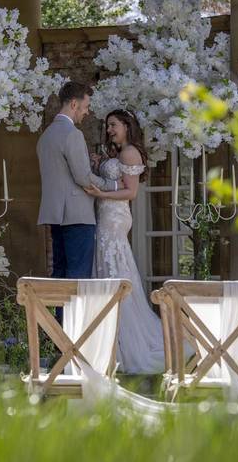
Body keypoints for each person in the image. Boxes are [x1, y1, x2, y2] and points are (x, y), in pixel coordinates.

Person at [84, 109, 165, 374]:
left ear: (127, 126)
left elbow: (130, 192)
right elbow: (118, 181)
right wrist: (99, 168)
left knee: (113, 268)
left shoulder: (130, 153)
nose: (109, 130)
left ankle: (124, 341)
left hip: (115, 217)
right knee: (110, 266)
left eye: (113, 125)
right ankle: (111, 339)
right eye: (108, 126)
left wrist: (101, 191)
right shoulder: (120, 154)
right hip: (107, 213)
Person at [36, 81, 117, 280]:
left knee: (60, 273)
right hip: (77, 216)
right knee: (78, 277)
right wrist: (113, 185)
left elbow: (61, 172)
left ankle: (59, 313)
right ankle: (74, 313)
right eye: (86, 106)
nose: (86, 112)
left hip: (56, 215)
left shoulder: (45, 136)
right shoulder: (73, 134)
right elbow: (83, 178)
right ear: (74, 104)